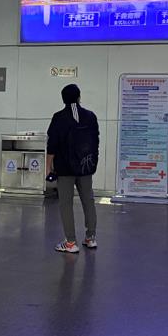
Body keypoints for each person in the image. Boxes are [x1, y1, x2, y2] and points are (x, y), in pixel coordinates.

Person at [47, 84, 99, 253]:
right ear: (79, 97)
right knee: (88, 200)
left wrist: (49, 167)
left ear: (63, 99)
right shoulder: (90, 116)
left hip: (65, 169)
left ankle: (70, 242)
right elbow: (96, 141)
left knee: (66, 203)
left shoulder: (59, 117)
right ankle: (91, 238)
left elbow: (52, 145)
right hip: (85, 166)